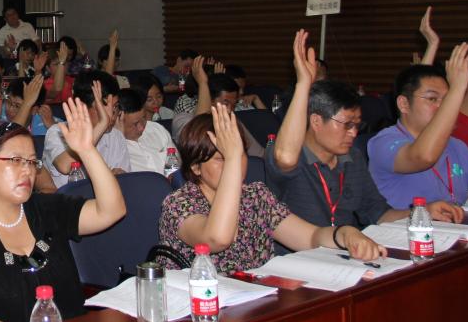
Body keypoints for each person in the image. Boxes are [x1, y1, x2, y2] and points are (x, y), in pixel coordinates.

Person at [0, 99, 126, 322]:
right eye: (15, 161)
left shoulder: (47, 208)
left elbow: (112, 210)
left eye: (32, 162)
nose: (27, 170)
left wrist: (87, 149)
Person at [158, 105, 385, 274]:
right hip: (199, 309)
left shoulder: (255, 196)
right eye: (221, 159)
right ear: (196, 167)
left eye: (239, 155)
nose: (234, 165)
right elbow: (217, 238)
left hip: (254, 302)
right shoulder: (179, 204)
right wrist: (234, 156)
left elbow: (310, 237)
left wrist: (345, 234)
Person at [270, 30, 463, 228]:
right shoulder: (290, 154)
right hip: (300, 247)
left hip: (344, 245)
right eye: (347, 125)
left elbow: (379, 213)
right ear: (317, 122)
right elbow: (286, 158)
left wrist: (422, 212)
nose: (354, 133)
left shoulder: (353, 158)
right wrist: (303, 84)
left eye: (357, 125)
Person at [368, 44, 468, 208]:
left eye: (446, 100)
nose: (443, 107)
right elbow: (423, 157)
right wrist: (457, 88)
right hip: (405, 224)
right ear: (404, 104)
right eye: (432, 99)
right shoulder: (383, 142)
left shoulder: (455, 146)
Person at [43, 72, 128, 186]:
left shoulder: (116, 137)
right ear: (82, 107)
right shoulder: (58, 132)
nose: (112, 115)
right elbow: (65, 166)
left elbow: (125, 182)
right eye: (103, 108)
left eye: (115, 107)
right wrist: (102, 124)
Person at [115, 88, 179, 175]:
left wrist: (172, 175)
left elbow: (175, 163)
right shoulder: (112, 148)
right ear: (118, 121)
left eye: (144, 118)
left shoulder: (156, 129)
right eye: (135, 124)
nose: (142, 128)